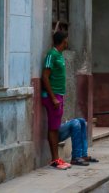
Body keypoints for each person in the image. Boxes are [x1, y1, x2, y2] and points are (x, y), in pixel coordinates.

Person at [42, 31, 72, 170]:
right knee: (53, 128)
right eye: (66, 40)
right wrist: (53, 97)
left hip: (59, 94)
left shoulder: (59, 55)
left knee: (55, 127)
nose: (67, 42)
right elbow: (45, 76)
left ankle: (57, 158)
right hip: (52, 96)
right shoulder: (51, 55)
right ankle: (54, 159)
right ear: (62, 41)